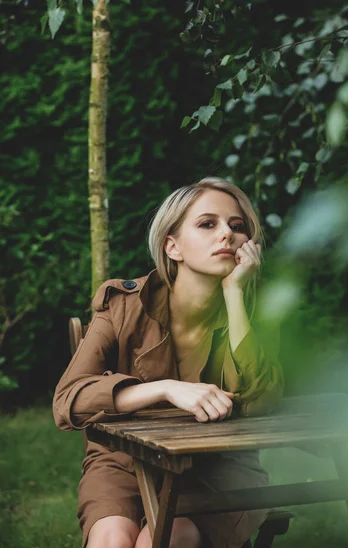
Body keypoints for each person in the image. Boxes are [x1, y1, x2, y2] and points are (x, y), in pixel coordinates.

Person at [53, 176, 284, 548]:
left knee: (163, 540)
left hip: (217, 467)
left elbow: (262, 401)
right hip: (124, 463)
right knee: (111, 541)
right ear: (172, 246)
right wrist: (165, 388)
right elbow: (68, 401)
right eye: (208, 223)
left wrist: (234, 294)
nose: (226, 234)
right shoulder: (124, 305)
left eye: (237, 226)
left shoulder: (256, 315)